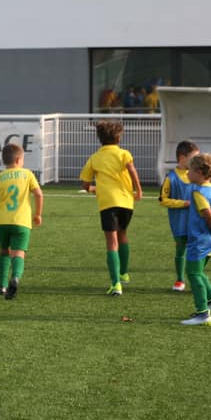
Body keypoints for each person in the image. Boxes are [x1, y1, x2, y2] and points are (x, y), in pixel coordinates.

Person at [79, 120, 143, 296]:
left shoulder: (95, 157)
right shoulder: (123, 154)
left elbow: (85, 183)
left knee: (111, 242)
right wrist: (138, 190)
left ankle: (116, 284)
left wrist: (93, 189)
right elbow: (132, 170)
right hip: (126, 202)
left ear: (99, 138)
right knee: (123, 234)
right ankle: (124, 274)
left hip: (108, 203)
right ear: (118, 137)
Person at [0, 143, 43, 300]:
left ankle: (2, 285)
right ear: (18, 159)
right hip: (22, 222)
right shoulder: (27, 174)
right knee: (18, 253)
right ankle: (15, 277)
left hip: (2, 222)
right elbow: (38, 194)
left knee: (4, 251)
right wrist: (38, 214)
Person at [181, 153, 211, 326]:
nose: (187, 173)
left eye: (190, 170)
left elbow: (207, 214)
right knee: (199, 272)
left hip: (200, 240)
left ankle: (203, 313)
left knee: (193, 273)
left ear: (200, 172)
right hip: (210, 240)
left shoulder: (198, 192)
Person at [158, 140, 199, 292]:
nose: (196, 161)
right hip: (180, 222)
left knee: (198, 250)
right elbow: (163, 200)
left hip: (197, 221)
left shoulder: (198, 176)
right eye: (193, 158)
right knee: (181, 249)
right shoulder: (171, 178)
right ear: (182, 158)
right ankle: (180, 279)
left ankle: (196, 277)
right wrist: (182, 203)